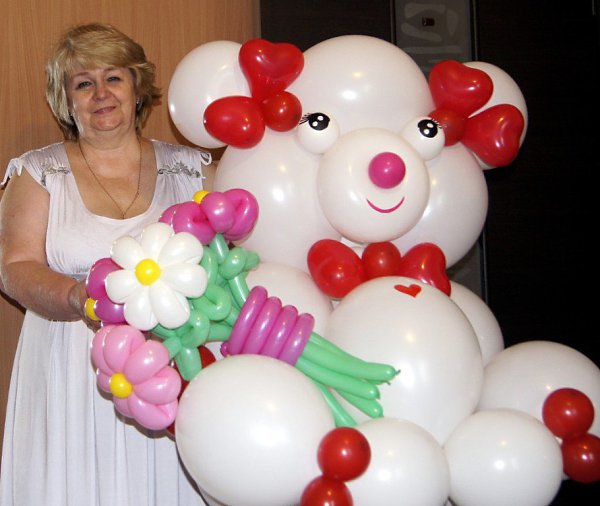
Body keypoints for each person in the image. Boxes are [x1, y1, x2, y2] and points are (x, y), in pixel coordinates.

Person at [0, 23, 214, 505]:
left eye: (113, 78)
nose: (101, 94)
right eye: (83, 83)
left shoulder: (196, 170)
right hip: (69, 365)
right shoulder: (37, 172)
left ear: (137, 88)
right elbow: (14, 266)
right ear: (65, 101)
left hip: (170, 363)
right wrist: (78, 298)